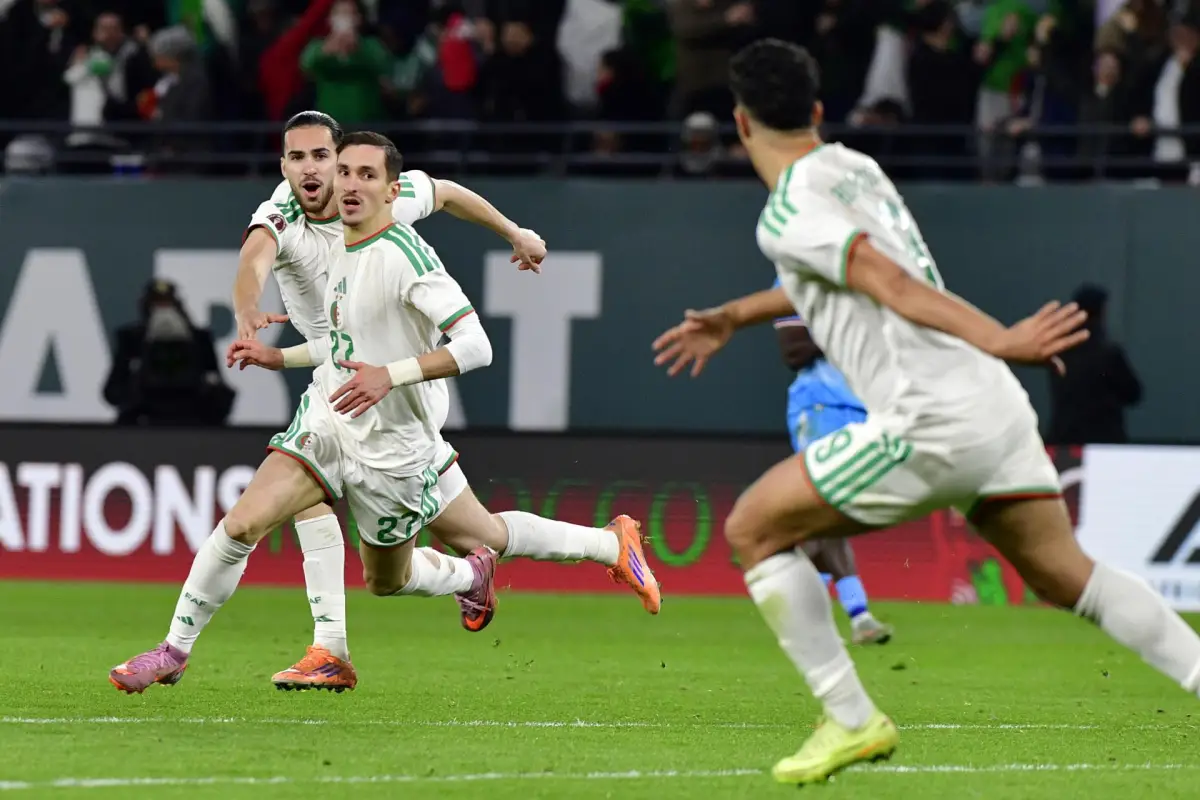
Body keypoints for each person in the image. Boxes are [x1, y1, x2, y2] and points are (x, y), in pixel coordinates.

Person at [652, 39, 1200, 786]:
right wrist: (733, 315)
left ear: (740, 124)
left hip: (928, 415)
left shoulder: (784, 213)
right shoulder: (855, 169)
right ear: (816, 111)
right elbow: (844, 276)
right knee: (1068, 575)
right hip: (991, 409)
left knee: (753, 528)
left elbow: (887, 282)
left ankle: (851, 718)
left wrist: (1002, 336)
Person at [109, 131, 660, 696]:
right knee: (246, 521)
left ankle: (552, 557)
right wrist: (280, 355)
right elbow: (335, 335)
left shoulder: (404, 253)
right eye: (338, 169)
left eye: (356, 172)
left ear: (391, 190)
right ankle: (176, 651)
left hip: (397, 439)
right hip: (333, 408)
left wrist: (390, 373)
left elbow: (477, 346)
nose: (342, 181)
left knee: (414, 567)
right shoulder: (331, 240)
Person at [230, 109, 550, 693]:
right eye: (297, 158)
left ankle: (506, 566)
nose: (320, 172)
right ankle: (329, 649)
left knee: (464, 544)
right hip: (341, 386)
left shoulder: (387, 215)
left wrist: (514, 232)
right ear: (284, 165)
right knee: (308, 493)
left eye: (325, 158)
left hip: (398, 404)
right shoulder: (283, 215)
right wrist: (250, 314)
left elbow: (448, 193)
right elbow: (253, 257)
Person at [772, 285, 892, 645]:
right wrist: (845, 330)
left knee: (833, 518)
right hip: (822, 408)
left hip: (864, 411)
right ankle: (856, 615)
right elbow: (793, 351)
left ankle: (783, 571)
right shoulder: (792, 285)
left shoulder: (867, 282)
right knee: (828, 509)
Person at [1046, 284, 1142, 445]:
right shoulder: (1108, 355)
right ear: (1101, 313)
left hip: (1065, 444)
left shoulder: (1060, 351)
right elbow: (1133, 393)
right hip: (1104, 444)